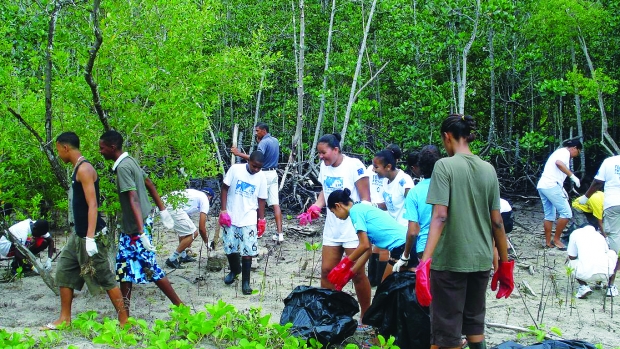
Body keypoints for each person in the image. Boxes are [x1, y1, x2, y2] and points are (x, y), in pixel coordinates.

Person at [418, 114, 512, 349]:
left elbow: (440, 215)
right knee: (474, 324)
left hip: (451, 260)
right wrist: (504, 263)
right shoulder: (488, 169)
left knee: (447, 330)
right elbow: (497, 222)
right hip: (480, 260)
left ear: (447, 137)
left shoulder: (444, 166)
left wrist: (424, 261)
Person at [48, 131, 127, 329]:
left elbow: (93, 205)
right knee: (64, 271)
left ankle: (125, 322)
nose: (59, 154)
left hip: (91, 236)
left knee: (106, 278)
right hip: (79, 235)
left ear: (65, 147)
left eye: (58, 150)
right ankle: (64, 319)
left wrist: (90, 237)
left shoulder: (84, 169)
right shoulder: (77, 169)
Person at [98, 130, 182, 312]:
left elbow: (133, 198)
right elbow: (149, 183)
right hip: (134, 225)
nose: (100, 152)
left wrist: (142, 232)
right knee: (124, 268)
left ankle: (181, 308)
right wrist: (163, 209)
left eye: (102, 148)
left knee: (150, 266)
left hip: (137, 227)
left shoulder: (122, 168)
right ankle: (124, 315)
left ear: (113, 148)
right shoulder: (130, 161)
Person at [297, 133, 372, 326]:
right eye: (319, 153)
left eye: (324, 153)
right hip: (332, 227)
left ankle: (366, 315)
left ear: (336, 150)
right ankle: (330, 312)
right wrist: (317, 205)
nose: (321, 157)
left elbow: (366, 200)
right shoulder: (325, 166)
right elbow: (325, 190)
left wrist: (359, 223)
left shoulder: (354, 166)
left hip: (352, 228)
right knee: (327, 271)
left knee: (356, 274)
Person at [326, 188, 410, 288]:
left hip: (401, 246)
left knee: (385, 289)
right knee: (394, 286)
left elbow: (364, 245)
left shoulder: (355, 212)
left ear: (338, 206)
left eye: (333, 212)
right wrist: (350, 274)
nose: (335, 216)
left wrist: (343, 265)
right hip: (406, 242)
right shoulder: (360, 208)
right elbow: (368, 250)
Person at [219, 150, 267, 295]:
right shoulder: (235, 170)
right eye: (254, 166)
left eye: (259, 167)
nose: (256, 170)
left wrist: (261, 219)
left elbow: (261, 199)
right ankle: (234, 270)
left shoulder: (261, 177)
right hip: (232, 214)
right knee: (229, 246)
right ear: (249, 161)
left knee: (248, 249)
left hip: (249, 216)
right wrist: (223, 210)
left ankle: (245, 282)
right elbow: (224, 188)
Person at [231, 122, 283, 242]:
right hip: (273, 173)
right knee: (275, 204)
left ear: (264, 131)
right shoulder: (275, 140)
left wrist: (238, 153)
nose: (256, 133)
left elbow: (256, 159)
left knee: (258, 202)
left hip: (263, 174)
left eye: (257, 131)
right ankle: (280, 234)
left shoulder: (264, 143)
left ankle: (258, 232)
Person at [579, 154, 620, 297]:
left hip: (613, 204)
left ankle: (610, 285)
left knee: (612, 245)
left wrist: (585, 197)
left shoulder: (609, 161)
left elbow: (597, 182)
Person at [399, 145, 441, 270]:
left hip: (425, 247)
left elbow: (412, 231)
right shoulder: (450, 186)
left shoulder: (414, 192)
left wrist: (405, 255)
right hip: (448, 246)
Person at [536, 139, 582, 250]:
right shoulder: (565, 152)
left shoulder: (559, 152)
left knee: (550, 215)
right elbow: (559, 163)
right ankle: (556, 240)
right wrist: (572, 176)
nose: (576, 155)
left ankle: (548, 242)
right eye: (578, 152)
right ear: (574, 148)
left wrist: (561, 189)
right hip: (551, 185)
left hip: (543, 185)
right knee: (566, 213)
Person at [162, 188, 214, 269]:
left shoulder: (194, 194)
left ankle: (183, 256)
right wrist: (207, 243)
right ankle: (172, 259)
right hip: (172, 206)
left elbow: (183, 230)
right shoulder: (205, 199)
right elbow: (201, 228)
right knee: (193, 233)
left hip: (163, 203)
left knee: (185, 231)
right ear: (210, 197)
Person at [567, 225, 617, 299]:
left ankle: (584, 287)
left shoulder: (575, 233)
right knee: (612, 253)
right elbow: (606, 252)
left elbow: (572, 256)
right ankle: (611, 287)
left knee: (571, 262)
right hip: (606, 273)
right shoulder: (599, 236)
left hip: (585, 274)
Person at [373, 144, 414, 227]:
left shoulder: (404, 182)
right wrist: (373, 205)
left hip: (405, 230)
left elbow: (414, 208)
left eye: (376, 167)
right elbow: (391, 204)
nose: (373, 170)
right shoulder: (385, 180)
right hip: (394, 229)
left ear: (388, 167)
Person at [366, 163, 386, 287]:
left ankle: (373, 279)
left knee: (376, 245)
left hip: (373, 208)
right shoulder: (373, 169)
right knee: (382, 247)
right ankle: (379, 281)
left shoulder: (370, 169)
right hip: (379, 209)